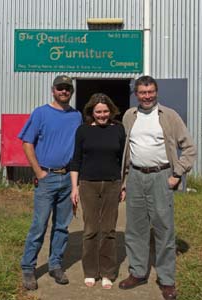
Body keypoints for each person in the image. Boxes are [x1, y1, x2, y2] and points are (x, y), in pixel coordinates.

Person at [118, 76, 197, 300]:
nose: (147, 96)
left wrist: (177, 173)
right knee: (135, 228)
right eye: (143, 92)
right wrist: (124, 181)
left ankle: (166, 279)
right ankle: (138, 272)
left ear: (156, 92)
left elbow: (189, 148)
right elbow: (126, 150)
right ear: (136, 94)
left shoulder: (169, 116)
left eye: (151, 91)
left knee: (163, 228)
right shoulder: (129, 116)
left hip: (161, 176)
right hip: (135, 176)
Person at [18, 75, 82, 290]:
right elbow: (27, 143)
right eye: (60, 88)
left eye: (68, 88)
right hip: (47, 177)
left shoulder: (76, 116)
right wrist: (39, 171)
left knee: (62, 226)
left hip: (68, 177)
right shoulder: (41, 113)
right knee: (39, 225)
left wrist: (76, 180)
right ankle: (28, 268)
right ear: (53, 90)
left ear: (71, 92)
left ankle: (55, 264)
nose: (64, 91)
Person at [69, 93, 126, 289]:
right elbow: (75, 160)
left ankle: (108, 272)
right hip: (88, 184)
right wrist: (74, 187)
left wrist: (123, 184)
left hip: (112, 184)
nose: (102, 115)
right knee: (91, 229)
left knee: (109, 229)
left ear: (111, 111)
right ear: (91, 112)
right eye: (98, 112)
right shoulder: (83, 131)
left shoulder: (118, 130)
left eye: (105, 111)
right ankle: (91, 271)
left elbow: (123, 159)